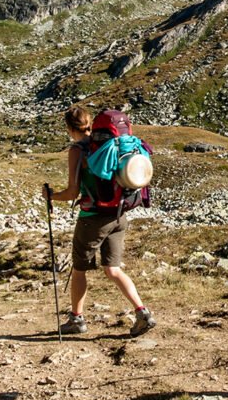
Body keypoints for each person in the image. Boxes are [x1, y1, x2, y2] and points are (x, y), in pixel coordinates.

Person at [45, 105, 156, 337]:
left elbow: (72, 192)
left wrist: (51, 196)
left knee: (79, 269)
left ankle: (77, 319)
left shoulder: (79, 150)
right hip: (119, 214)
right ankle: (142, 312)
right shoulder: (110, 146)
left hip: (92, 218)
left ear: (68, 127)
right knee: (113, 269)